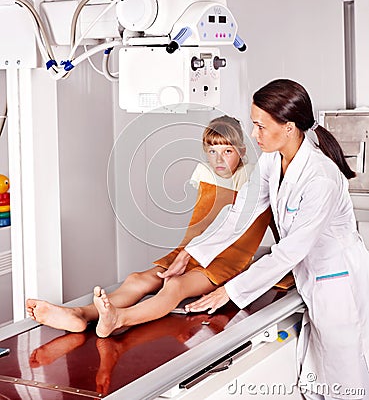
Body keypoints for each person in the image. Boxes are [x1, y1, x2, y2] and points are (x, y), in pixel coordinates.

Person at [163, 79, 369, 400]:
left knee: (345, 380)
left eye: (260, 126)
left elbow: (290, 252)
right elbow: (239, 215)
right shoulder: (272, 161)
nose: (254, 135)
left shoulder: (321, 177)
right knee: (318, 379)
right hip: (313, 280)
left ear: (288, 127)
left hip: (337, 283)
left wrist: (229, 291)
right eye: (254, 125)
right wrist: (191, 252)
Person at [26, 115, 271, 338]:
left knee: (175, 285)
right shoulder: (203, 172)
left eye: (227, 151)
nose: (219, 159)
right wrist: (188, 250)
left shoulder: (252, 175)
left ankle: (119, 318)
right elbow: (203, 219)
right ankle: (80, 314)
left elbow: (246, 218)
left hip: (226, 260)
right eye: (212, 151)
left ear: (241, 150)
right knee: (138, 279)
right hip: (191, 248)